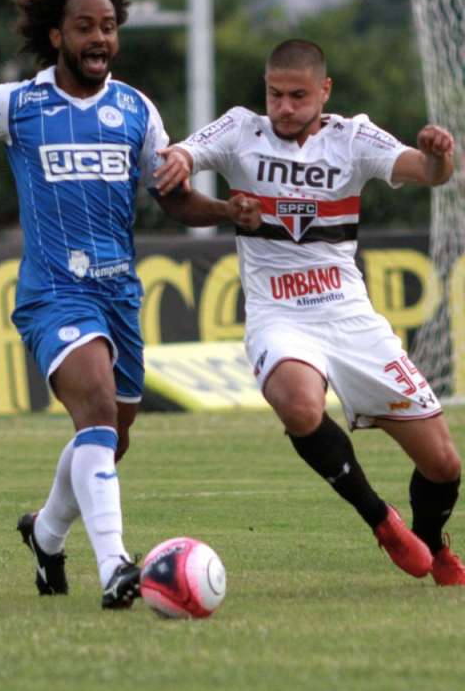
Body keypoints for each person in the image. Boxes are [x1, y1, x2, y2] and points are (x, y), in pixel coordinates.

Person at [0, 0, 261, 609]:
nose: (99, 38)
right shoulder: (18, 104)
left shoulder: (136, 110)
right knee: (99, 411)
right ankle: (117, 568)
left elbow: (175, 199)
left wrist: (228, 213)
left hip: (119, 296)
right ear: (57, 36)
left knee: (109, 435)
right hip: (53, 293)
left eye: (108, 27)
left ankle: (46, 534)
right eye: (85, 27)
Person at [157, 39, 465, 586]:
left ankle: (433, 544)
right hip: (280, 313)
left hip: (350, 316)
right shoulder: (239, 130)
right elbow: (184, 155)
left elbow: (430, 172)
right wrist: (178, 158)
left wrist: (440, 153)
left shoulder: (354, 138)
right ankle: (381, 520)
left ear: (324, 91)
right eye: (275, 94)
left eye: (298, 95)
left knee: (444, 464)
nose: (284, 107)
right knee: (300, 406)